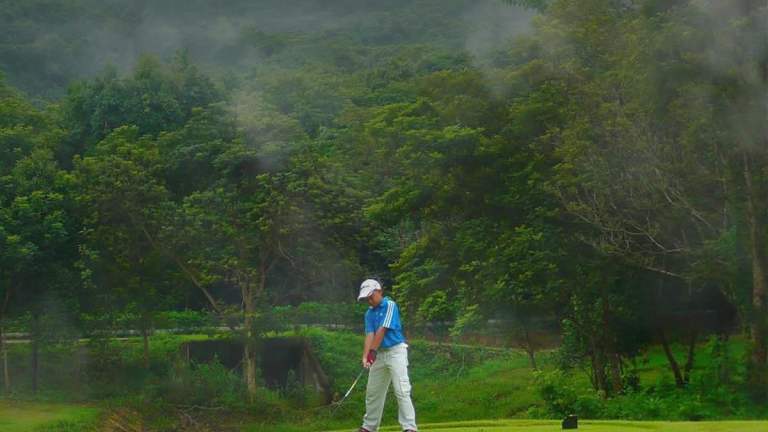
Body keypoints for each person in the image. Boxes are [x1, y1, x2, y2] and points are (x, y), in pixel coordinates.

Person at [357, 278, 418, 432]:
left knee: (402, 390)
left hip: (396, 352)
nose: (369, 301)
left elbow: (382, 330)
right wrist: (365, 356)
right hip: (379, 355)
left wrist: (372, 352)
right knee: (373, 392)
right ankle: (369, 427)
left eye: (371, 296)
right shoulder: (369, 314)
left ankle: (410, 428)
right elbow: (370, 334)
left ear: (379, 291)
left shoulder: (390, 305)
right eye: (366, 299)